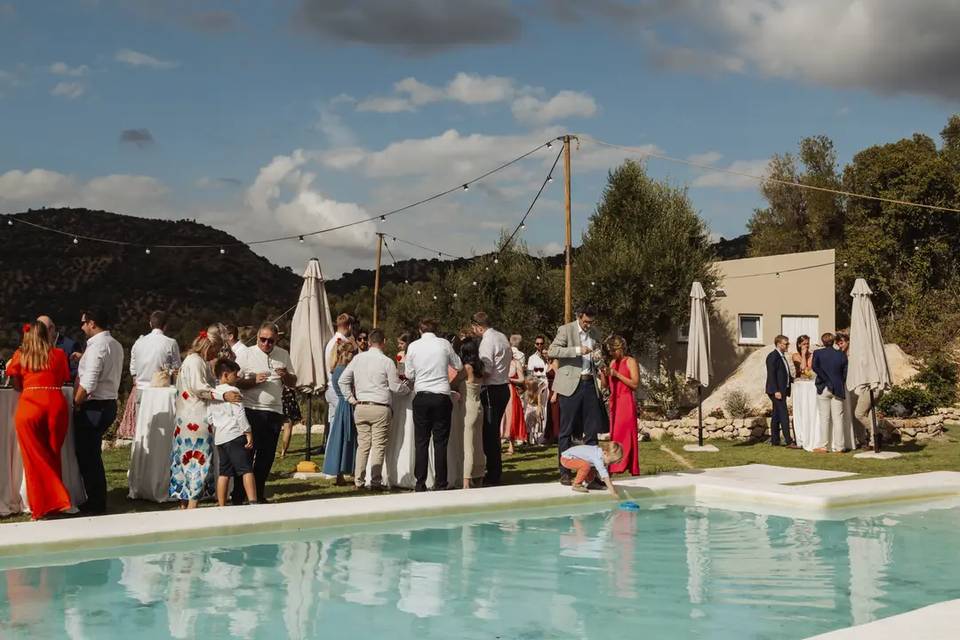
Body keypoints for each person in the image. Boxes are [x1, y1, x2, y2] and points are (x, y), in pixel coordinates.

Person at [5, 321, 72, 519]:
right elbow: (61, 379)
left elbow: (17, 384)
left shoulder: (21, 356)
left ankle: (42, 506)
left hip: (29, 407)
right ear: (46, 335)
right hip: (55, 406)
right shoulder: (59, 355)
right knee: (52, 456)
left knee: (33, 460)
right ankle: (56, 504)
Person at [170, 326, 240, 508]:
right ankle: (192, 507)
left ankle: (185, 506)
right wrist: (223, 395)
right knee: (198, 463)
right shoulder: (195, 362)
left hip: (185, 419)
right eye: (216, 349)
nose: (216, 354)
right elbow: (199, 388)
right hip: (195, 420)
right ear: (209, 346)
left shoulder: (193, 361)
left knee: (186, 463)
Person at [339, 328, 408, 490]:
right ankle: (376, 481)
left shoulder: (358, 359)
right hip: (380, 407)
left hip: (361, 406)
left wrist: (351, 399)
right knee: (378, 445)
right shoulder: (387, 362)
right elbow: (395, 386)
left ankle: (359, 481)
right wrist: (408, 389)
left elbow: (343, 380)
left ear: (369, 342)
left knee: (363, 445)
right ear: (383, 343)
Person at [234, 322, 297, 503]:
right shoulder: (246, 353)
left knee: (266, 456)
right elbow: (235, 381)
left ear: (276, 339)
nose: (266, 344)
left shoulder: (283, 354)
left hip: (274, 411)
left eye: (270, 341)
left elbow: (293, 382)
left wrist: (285, 375)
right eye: (263, 340)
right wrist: (253, 380)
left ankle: (258, 495)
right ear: (258, 337)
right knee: (247, 455)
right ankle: (238, 496)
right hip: (251, 409)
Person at [547, 307, 605, 487]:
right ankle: (565, 472)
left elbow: (597, 356)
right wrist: (577, 350)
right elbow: (552, 351)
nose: (588, 325)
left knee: (592, 431)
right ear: (579, 317)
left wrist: (599, 360)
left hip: (589, 383)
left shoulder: (595, 333)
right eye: (586, 321)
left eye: (591, 322)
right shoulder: (566, 330)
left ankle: (591, 475)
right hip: (570, 384)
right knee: (566, 430)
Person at [74, 308, 123, 515]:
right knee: (92, 453)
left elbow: (90, 381)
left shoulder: (97, 347)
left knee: (88, 454)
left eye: (84, 322)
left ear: (93, 323)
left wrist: (76, 403)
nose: (82, 326)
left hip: (94, 406)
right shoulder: (115, 344)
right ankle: (96, 498)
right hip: (110, 403)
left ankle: (95, 501)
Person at [405, 318, 462, 492]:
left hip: (422, 395)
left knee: (421, 442)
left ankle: (420, 482)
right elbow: (458, 365)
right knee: (440, 442)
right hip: (441, 395)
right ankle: (440, 483)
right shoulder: (444, 344)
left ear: (420, 330)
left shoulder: (413, 346)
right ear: (436, 330)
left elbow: (408, 373)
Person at [119, 311, 182, 439]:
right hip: (162, 392)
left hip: (141, 390)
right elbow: (177, 369)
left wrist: (137, 380)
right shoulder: (170, 343)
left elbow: (133, 368)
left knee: (142, 431)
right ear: (166, 326)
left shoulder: (139, 342)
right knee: (162, 434)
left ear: (150, 324)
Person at [209, 359, 258, 507]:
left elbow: (210, 417)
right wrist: (248, 431)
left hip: (220, 437)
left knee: (224, 473)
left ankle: (222, 504)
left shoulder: (213, 393)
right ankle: (253, 501)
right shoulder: (234, 392)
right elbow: (240, 414)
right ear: (225, 375)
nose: (237, 378)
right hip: (235, 434)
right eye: (235, 375)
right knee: (246, 469)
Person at [471, 311, 511, 487]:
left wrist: (472, 371)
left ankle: (493, 474)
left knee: (490, 433)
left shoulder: (487, 341)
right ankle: (495, 470)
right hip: (503, 386)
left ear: (479, 327)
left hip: (491, 388)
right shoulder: (502, 336)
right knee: (493, 432)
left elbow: (486, 369)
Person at [601, 335, 640, 476]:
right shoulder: (611, 363)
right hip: (614, 403)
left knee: (626, 435)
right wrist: (603, 374)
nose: (611, 353)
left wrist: (617, 374)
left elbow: (635, 384)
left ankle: (627, 465)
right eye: (609, 351)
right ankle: (614, 465)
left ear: (620, 348)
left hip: (626, 402)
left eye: (612, 350)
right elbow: (606, 386)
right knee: (616, 436)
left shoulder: (630, 361)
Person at [322, 341, 358, 484]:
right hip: (347, 405)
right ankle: (351, 471)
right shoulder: (344, 370)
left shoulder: (336, 369)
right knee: (348, 439)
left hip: (341, 407)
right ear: (348, 354)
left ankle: (340, 474)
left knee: (340, 439)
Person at [813, 332, 850, 452]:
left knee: (824, 418)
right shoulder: (841, 355)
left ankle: (823, 446)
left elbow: (815, 367)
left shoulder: (818, 353)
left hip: (823, 387)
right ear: (834, 341)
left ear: (822, 342)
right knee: (838, 418)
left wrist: (826, 380)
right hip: (837, 388)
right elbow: (845, 374)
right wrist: (836, 382)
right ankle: (840, 447)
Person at [457, 338, 486, 489]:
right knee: (478, 443)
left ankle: (466, 480)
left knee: (467, 445)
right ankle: (479, 475)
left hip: (468, 408)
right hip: (479, 406)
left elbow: (453, 381)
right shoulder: (480, 367)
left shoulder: (466, 368)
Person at [324, 313, 354, 428]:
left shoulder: (331, 342)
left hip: (330, 387)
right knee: (342, 425)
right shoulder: (343, 344)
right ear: (349, 326)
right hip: (340, 390)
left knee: (333, 424)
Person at [765, 335, 794, 447]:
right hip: (776, 391)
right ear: (779, 344)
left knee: (776, 415)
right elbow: (771, 375)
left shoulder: (781, 356)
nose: (787, 345)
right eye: (786, 343)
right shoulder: (773, 356)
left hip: (782, 390)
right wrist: (776, 391)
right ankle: (789, 441)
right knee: (784, 414)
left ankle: (775, 440)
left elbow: (783, 373)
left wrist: (793, 379)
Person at [37, 315, 82, 380]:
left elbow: (77, 371)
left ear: (52, 328)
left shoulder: (70, 345)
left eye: (42, 331)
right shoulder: (37, 345)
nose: (40, 335)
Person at [501, 350, 527, 454]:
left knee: (511, 415)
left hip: (510, 390)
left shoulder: (516, 363)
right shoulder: (500, 363)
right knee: (501, 416)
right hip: (500, 389)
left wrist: (510, 379)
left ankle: (511, 445)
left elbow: (521, 379)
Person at [278, 386, 301, 458]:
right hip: (289, 399)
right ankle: (283, 452)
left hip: (278, 397)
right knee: (288, 428)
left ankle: (281, 451)